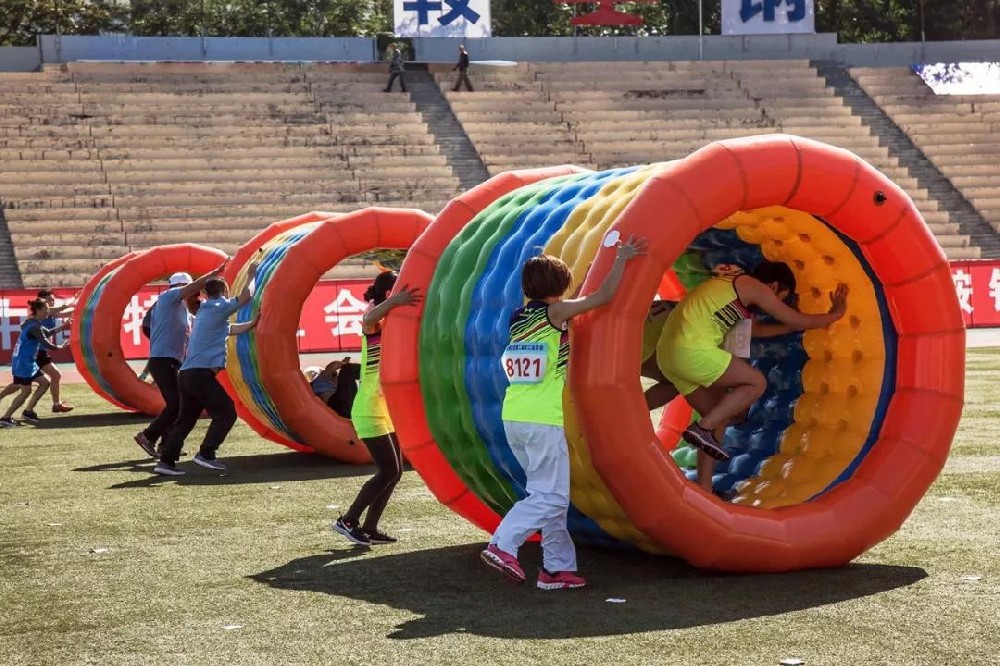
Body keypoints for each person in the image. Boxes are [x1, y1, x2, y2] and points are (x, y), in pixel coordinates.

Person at [481, 235, 647, 590]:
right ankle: (503, 544)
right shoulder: (557, 313)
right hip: (542, 418)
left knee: (548, 494)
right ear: (562, 285)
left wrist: (591, 273)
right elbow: (602, 298)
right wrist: (622, 259)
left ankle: (556, 568)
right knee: (552, 496)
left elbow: (580, 300)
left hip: (515, 416)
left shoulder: (518, 317)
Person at [658, 260, 848, 490]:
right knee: (756, 382)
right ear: (774, 286)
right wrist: (835, 315)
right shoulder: (751, 285)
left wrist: (789, 328)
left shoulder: (730, 291)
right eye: (779, 298)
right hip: (691, 349)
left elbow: (755, 331)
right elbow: (796, 319)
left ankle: (704, 489)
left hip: (668, 354)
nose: (775, 304)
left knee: (717, 416)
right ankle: (703, 427)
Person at [333, 272, 420, 547]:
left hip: (383, 409)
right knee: (387, 470)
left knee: (394, 472)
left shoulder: (392, 322)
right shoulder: (376, 318)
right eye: (396, 291)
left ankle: (370, 527)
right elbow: (367, 320)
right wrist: (397, 300)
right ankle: (348, 520)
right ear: (388, 294)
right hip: (369, 408)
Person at [152, 263, 259, 477]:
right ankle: (206, 454)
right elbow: (247, 295)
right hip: (200, 374)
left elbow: (231, 329)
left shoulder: (205, 312)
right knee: (226, 412)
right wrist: (251, 275)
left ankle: (166, 461)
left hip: (187, 375)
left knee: (187, 419)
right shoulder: (219, 307)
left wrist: (253, 322)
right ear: (223, 292)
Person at [133, 268, 224, 459]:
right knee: (175, 404)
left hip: (169, 360)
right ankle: (149, 436)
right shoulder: (168, 297)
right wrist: (216, 273)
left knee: (178, 404)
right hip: (163, 360)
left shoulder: (181, 310)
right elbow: (195, 287)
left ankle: (166, 445)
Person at [0, 299, 66, 427]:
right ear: (39, 310)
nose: (48, 311)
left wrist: (63, 326)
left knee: (44, 382)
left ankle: (28, 412)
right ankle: (6, 418)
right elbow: (46, 342)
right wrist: (60, 347)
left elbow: (46, 333)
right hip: (24, 362)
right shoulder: (35, 326)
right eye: (46, 309)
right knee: (25, 391)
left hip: (26, 361)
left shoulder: (31, 323)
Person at [19, 289, 75, 421]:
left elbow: (61, 313)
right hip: (36, 353)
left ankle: (50, 406)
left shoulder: (46, 314)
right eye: (50, 300)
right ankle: (31, 410)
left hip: (40, 353)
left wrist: (77, 308)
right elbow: (58, 310)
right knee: (43, 381)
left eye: (53, 299)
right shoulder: (39, 315)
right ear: (42, 304)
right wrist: (67, 305)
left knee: (46, 380)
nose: (52, 301)